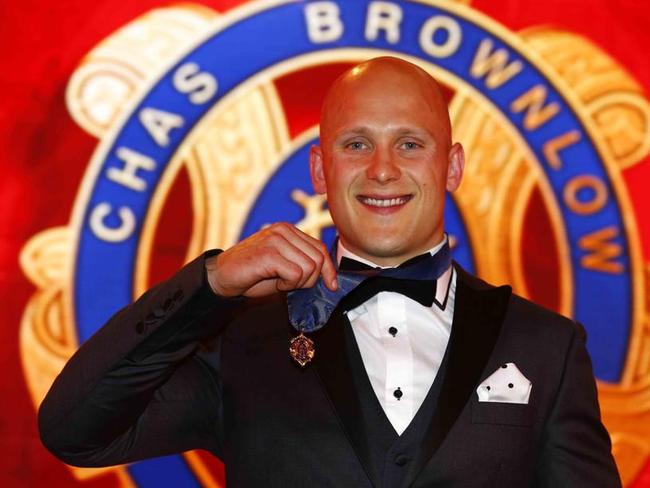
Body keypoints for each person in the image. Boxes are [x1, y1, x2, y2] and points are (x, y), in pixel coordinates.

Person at [38, 57, 621, 487]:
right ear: (320, 168)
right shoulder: (243, 341)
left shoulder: (547, 346)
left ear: (453, 166)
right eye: (357, 144)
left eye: (411, 144)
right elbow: (74, 429)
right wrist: (210, 283)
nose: (383, 170)